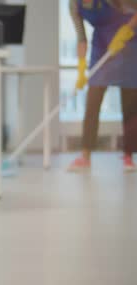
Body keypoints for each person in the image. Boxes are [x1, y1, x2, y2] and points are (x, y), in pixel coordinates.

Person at [68, 0, 137, 172]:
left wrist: (127, 29)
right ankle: (85, 156)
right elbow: (81, 38)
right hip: (101, 47)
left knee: (129, 105)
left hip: (127, 43)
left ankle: (129, 156)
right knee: (92, 102)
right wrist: (81, 68)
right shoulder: (74, 5)